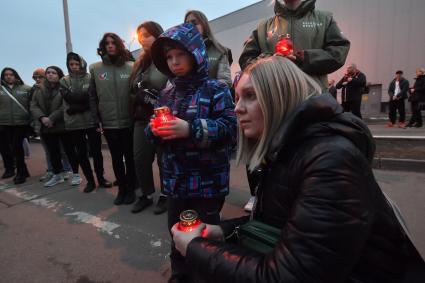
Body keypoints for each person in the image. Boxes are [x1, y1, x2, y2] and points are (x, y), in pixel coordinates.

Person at [171, 56, 414, 283]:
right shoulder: (286, 150)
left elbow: (290, 275)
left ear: (280, 97)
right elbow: (277, 224)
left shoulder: (330, 160)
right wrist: (223, 232)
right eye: (236, 98)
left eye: (250, 96)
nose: (237, 109)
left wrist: (197, 248)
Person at [147, 23, 237, 282]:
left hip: (208, 183)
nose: (174, 62)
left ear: (196, 53)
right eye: (169, 57)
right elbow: (153, 133)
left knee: (203, 239)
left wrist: (191, 129)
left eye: (180, 54)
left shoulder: (216, 89)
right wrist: (155, 131)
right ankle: (178, 275)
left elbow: (229, 129)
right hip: (175, 182)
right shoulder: (167, 93)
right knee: (176, 233)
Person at [239, 0, 350, 91]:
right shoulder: (263, 27)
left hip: (313, 100)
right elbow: (246, 60)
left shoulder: (325, 19)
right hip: (275, 103)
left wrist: (302, 58)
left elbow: (338, 53)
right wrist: (272, 61)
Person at [89, 32, 135, 205]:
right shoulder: (95, 68)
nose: (110, 46)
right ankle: (122, 189)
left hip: (129, 122)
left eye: (113, 42)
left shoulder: (132, 66)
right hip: (108, 123)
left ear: (119, 45)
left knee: (130, 158)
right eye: (106, 43)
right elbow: (92, 97)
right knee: (116, 158)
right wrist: (96, 120)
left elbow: (136, 94)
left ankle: (131, 189)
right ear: (103, 47)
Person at [129, 21, 169, 214]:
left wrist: (154, 94)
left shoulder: (166, 57)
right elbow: (131, 88)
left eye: (146, 34)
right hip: (141, 117)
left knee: (164, 159)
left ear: (157, 35)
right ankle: (145, 194)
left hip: (161, 116)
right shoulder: (139, 62)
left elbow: (172, 87)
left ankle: (166, 195)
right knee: (140, 158)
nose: (142, 39)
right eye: (140, 35)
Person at [60, 52, 112, 193]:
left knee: (96, 152)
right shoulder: (64, 80)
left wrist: (77, 107)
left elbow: (92, 98)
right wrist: (84, 102)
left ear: (82, 63)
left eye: (77, 64)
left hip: (91, 121)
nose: (74, 67)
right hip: (74, 124)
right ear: (68, 65)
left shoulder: (90, 78)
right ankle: (90, 181)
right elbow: (70, 99)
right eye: (71, 64)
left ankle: (101, 178)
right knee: (81, 153)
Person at [30, 66, 82, 187]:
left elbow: (65, 105)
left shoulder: (64, 87)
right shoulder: (39, 89)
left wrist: (51, 118)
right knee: (53, 152)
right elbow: (33, 105)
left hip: (63, 124)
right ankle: (57, 174)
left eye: (53, 72)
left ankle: (75, 174)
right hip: (46, 126)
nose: (50, 75)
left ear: (59, 75)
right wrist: (43, 118)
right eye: (48, 73)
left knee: (69, 151)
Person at [184, 10, 232, 86]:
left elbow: (225, 83)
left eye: (195, 23)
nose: (190, 27)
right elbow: (172, 83)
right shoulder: (180, 52)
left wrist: (203, 92)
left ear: (204, 26)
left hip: (211, 97)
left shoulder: (219, 51)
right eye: (187, 24)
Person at [0, 68, 32, 184]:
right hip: (4, 123)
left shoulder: (26, 88)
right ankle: (13, 169)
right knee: (5, 148)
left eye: (11, 74)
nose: (8, 77)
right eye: (6, 75)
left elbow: (32, 105)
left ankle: (20, 173)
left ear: (16, 75)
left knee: (17, 147)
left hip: (21, 123)